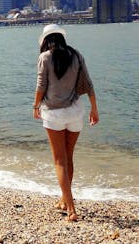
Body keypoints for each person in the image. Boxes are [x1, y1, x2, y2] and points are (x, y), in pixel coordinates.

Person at [33, 24, 99, 222]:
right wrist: (95, 109)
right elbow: (88, 83)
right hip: (75, 113)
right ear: (62, 38)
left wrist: (35, 106)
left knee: (59, 161)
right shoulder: (76, 55)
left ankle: (71, 208)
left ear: (46, 40)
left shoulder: (45, 57)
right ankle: (64, 199)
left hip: (53, 114)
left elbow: (41, 85)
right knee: (68, 158)